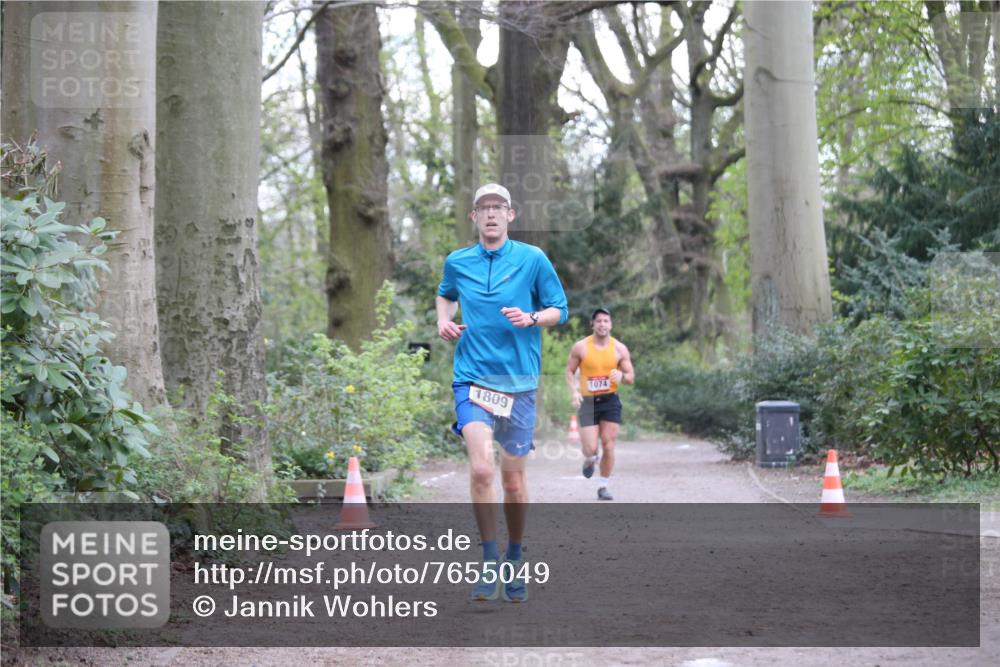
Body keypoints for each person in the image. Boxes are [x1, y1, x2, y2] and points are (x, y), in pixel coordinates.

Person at [436, 183, 568, 602]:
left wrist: (531, 318)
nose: (490, 214)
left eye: (498, 207)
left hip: (519, 385)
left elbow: (559, 310)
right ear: (473, 217)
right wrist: (444, 321)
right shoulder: (458, 262)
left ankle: (514, 555)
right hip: (472, 379)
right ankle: (489, 558)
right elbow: (445, 295)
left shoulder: (533, 259)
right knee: (480, 470)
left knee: (512, 481)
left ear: (512, 215)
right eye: (482, 208)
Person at [564, 308, 634, 501]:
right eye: (599, 321)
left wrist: (622, 376)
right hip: (588, 402)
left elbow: (631, 377)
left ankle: (603, 486)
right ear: (592, 325)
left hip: (610, 400)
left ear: (610, 325)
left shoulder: (619, 348)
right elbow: (569, 371)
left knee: (609, 445)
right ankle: (590, 458)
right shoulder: (581, 347)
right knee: (590, 448)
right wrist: (575, 391)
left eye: (606, 321)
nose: (602, 324)